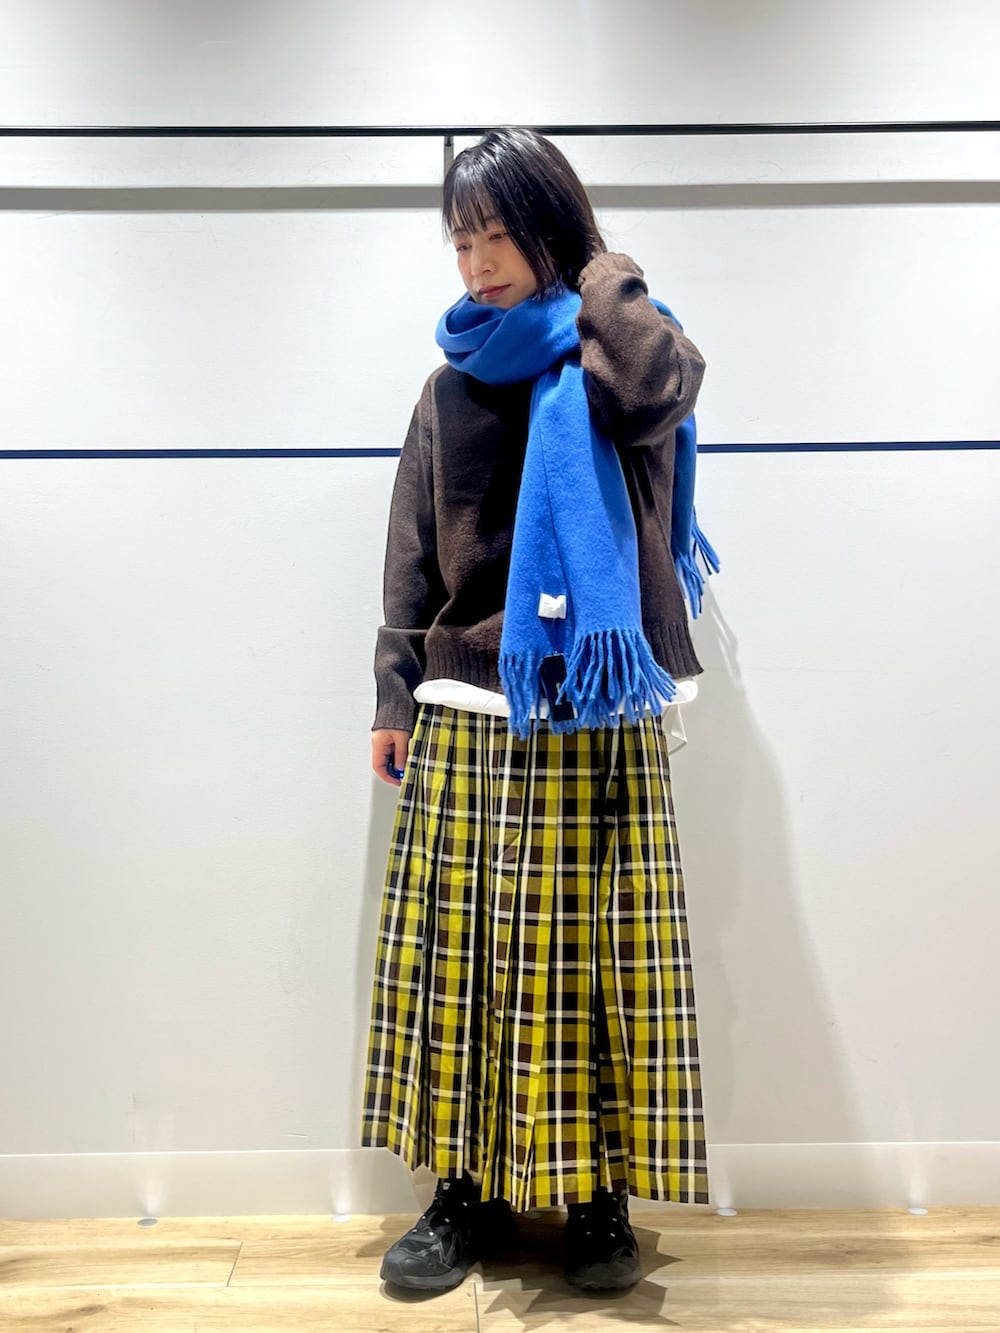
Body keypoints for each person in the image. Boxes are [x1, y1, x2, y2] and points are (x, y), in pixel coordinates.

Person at [362, 126, 711, 1295]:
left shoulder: (624, 358)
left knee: (599, 966)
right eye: (459, 243)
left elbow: (658, 389)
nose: (475, 266)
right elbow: (412, 551)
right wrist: (391, 692)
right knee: (468, 969)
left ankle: (599, 1195)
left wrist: (601, 271)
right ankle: (462, 1190)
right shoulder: (450, 387)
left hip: (599, 709)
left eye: (496, 237)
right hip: (471, 702)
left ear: (550, 229)